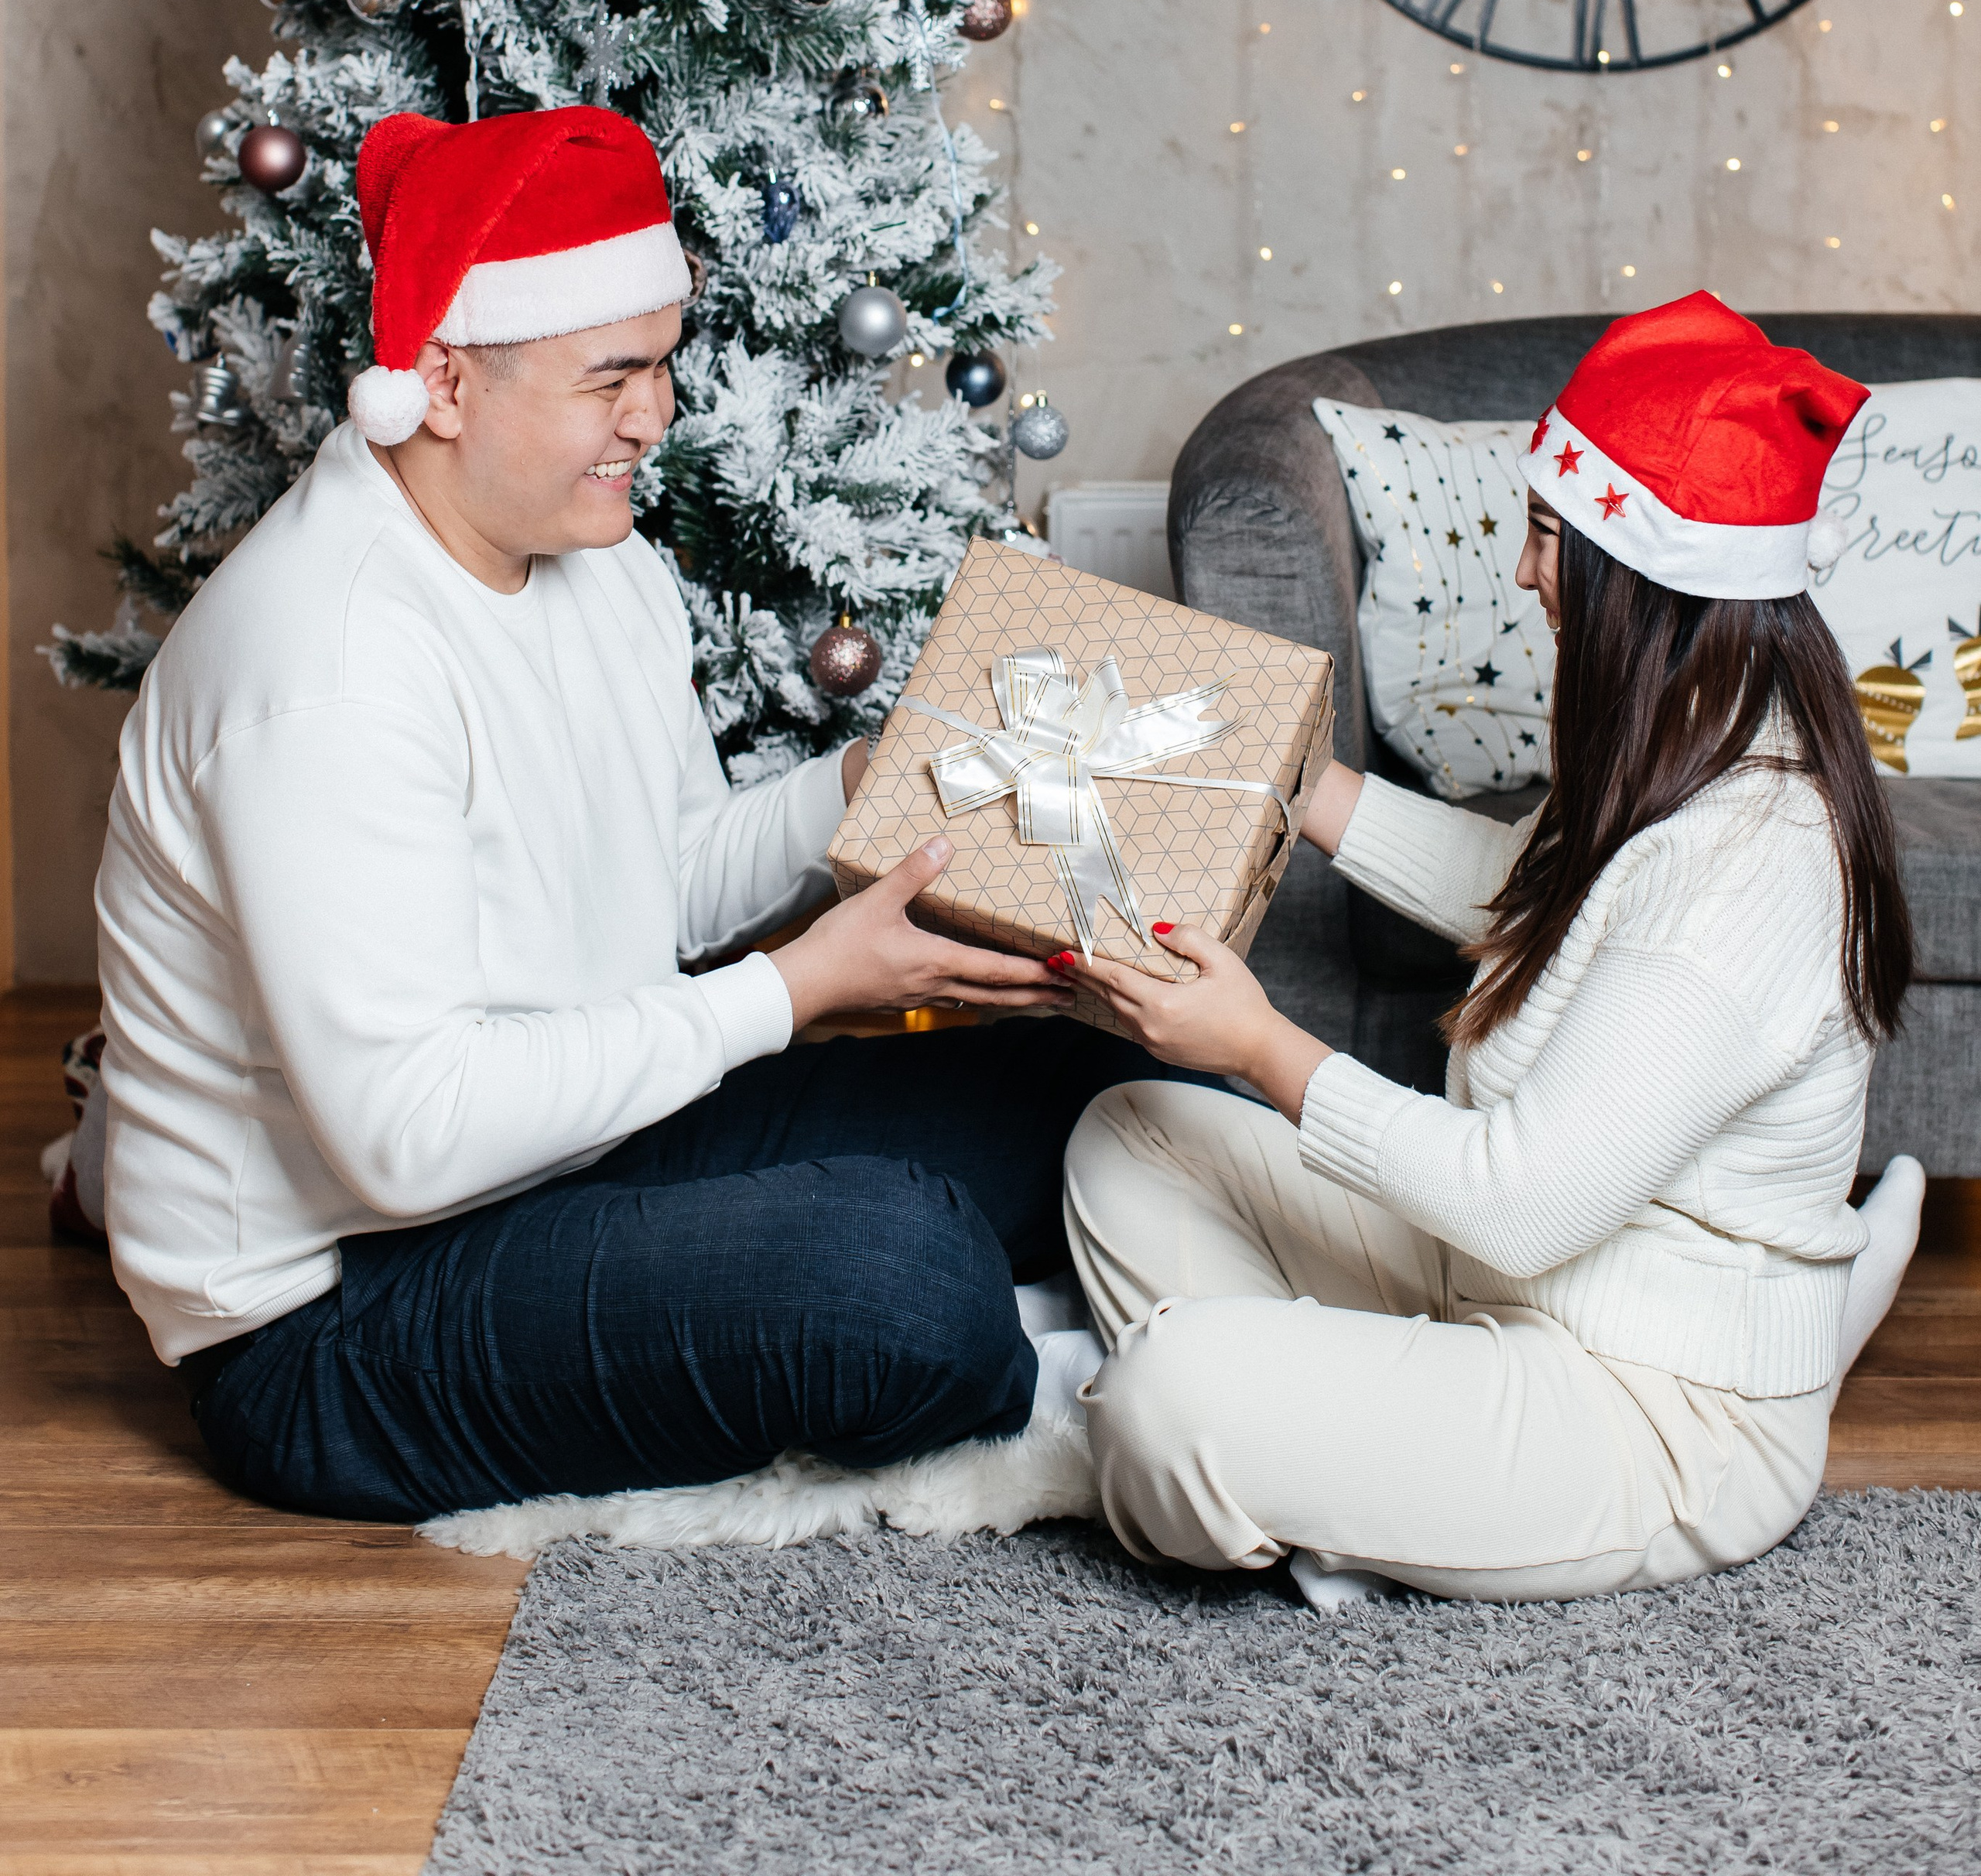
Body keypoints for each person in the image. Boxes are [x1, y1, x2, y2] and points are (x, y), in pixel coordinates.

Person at [94, 103, 1159, 1522]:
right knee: (899, 1278)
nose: (656, 415)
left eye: (662, 364)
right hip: (328, 1314)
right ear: (450, 381)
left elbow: (659, 883)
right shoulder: (327, 665)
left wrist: (862, 781)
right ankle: (1111, 1372)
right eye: (614, 376)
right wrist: (790, 995)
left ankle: (1058, 1303)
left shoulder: (599, 557)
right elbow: (408, 1135)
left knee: (1120, 1100)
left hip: (576, 1152)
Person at [1048, 292, 1925, 1606]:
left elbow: (1520, 1201)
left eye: (1545, 539)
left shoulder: (1758, 865)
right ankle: (1367, 1475)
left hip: (1652, 1406)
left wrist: (1264, 1049)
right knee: (1131, 1132)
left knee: (1168, 1400)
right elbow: (1533, 903)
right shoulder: (1684, 729)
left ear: (1644, 575)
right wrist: (1298, 787)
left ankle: (1326, 1460)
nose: (1523, 574)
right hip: (1505, 1294)